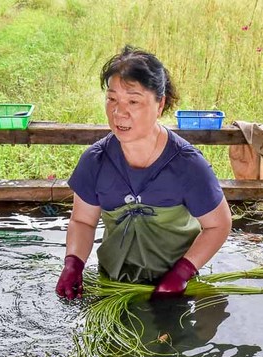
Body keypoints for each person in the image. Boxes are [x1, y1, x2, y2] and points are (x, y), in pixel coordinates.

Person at [56, 46, 232, 300]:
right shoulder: (95, 160)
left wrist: (182, 273)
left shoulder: (187, 165)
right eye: (112, 99)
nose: (118, 112)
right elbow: (83, 221)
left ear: (159, 104)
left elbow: (219, 225)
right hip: (114, 284)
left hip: (173, 290)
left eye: (133, 101)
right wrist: (73, 264)